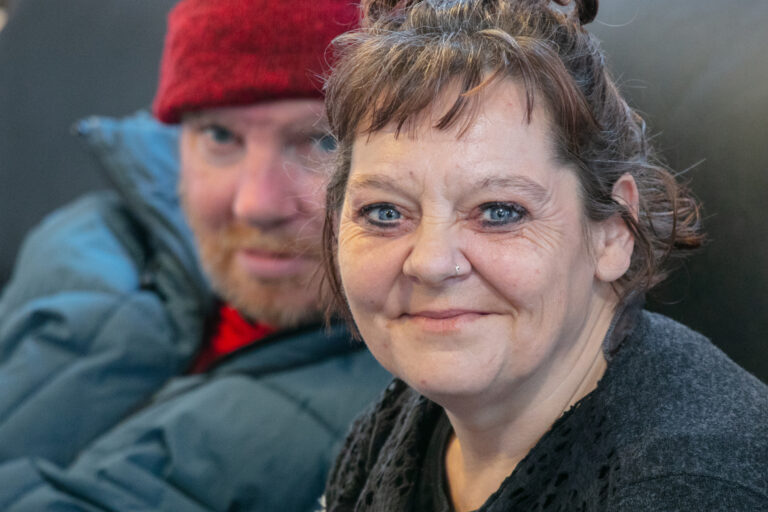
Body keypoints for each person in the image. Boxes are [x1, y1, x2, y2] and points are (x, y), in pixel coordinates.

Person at [320, 0, 768, 510]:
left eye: (499, 212)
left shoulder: (693, 485)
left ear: (613, 231)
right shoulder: (402, 423)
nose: (431, 263)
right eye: (384, 213)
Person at [0, 0, 390, 509]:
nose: (255, 205)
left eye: (324, 141)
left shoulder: (421, 408)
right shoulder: (87, 241)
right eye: (220, 136)